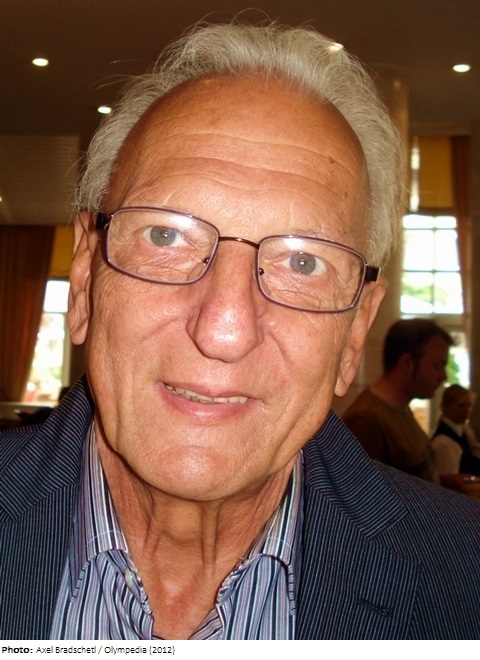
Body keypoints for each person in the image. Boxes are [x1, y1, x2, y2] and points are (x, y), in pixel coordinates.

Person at [1, 22, 480, 641]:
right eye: (166, 235)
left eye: (303, 263)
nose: (223, 330)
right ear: (86, 279)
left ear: (356, 330)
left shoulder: (462, 582)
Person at [343, 318, 453, 482]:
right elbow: (362, 492)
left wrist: (445, 482)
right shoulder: (368, 421)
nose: (443, 376)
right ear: (407, 364)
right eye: (437, 366)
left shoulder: (399, 408)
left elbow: (405, 480)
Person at [432, 384, 480, 476]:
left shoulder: (464, 432)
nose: (467, 410)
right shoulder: (443, 442)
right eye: (461, 406)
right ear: (446, 407)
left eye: (469, 405)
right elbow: (448, 480)